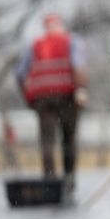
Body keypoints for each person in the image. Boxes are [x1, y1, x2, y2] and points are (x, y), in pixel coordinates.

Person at [15, 13, 88, 192]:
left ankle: (49, 181)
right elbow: (78, 65)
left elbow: (19, 73)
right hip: (67, 97)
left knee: (47, 140)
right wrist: (81, 90)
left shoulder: (35, 45)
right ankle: (69, 179)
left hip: (42, 99)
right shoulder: (71, 41)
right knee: (68, 138)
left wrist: (28, 97)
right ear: (60, 26)